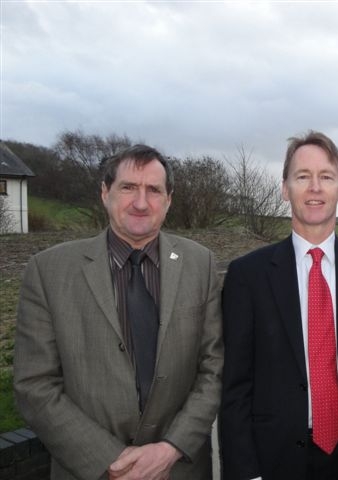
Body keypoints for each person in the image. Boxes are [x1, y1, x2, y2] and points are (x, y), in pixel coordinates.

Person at [13, 144, 224, 480]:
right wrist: (110, 460)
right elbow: (35, 384)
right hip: (88, 471)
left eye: (153, 190)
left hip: (179, 469)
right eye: (128, 187)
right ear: (104, 193)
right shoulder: (49, 270)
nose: (141, 202)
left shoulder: (200, 264)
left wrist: (170, 448)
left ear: (168, 199)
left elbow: (214, 367)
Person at [220, 130, 338, 480]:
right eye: (302, 176)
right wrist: (245, 471)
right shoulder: (249, 276)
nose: (315, 187)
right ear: (284, 188)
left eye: (326, 177)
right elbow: (235, 386)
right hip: (274, 459)